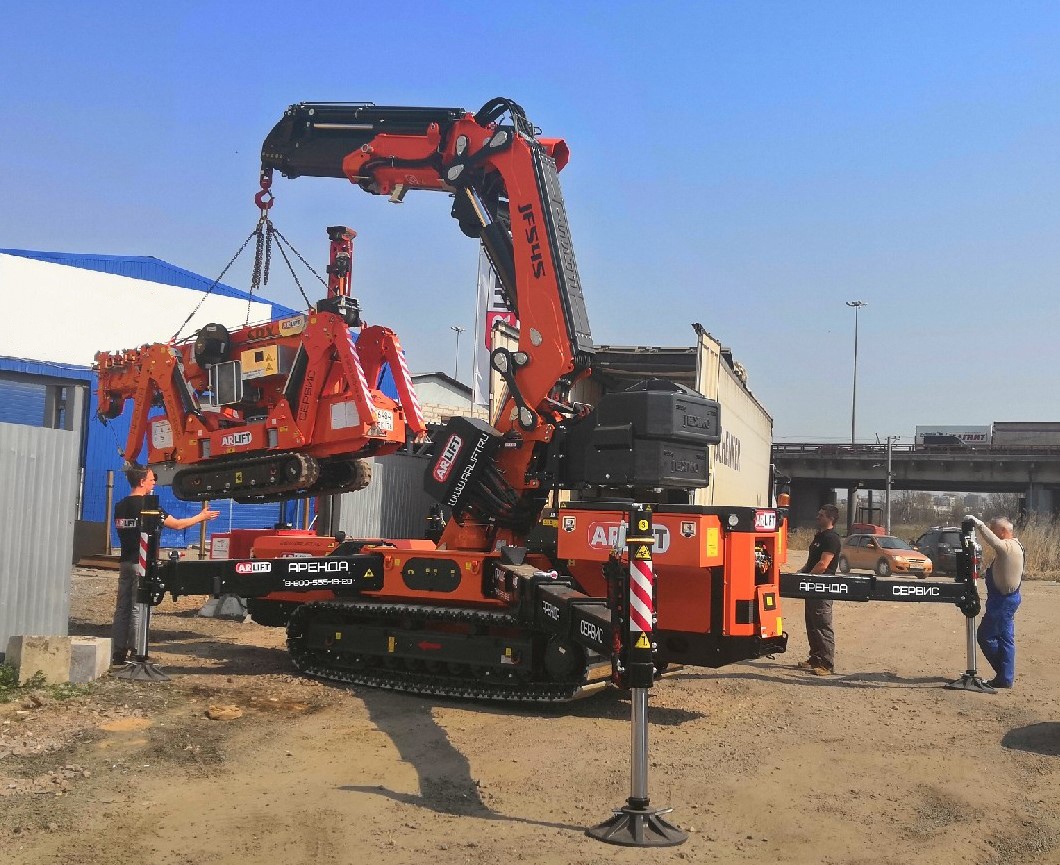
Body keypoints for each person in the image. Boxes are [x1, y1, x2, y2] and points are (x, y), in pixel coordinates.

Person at [112, 464, 219, 666]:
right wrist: (202, 517)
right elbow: (177, 525)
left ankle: (118, 652)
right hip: (141, 564)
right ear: (142, 481)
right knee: (138, 607)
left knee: (122, 608)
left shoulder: (120, 506)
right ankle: (136, 651)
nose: (154, 482)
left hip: (125, 561)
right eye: (151, 479)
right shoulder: (148, 507)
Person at [967, 515, 1024, 689]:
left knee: (985, 636)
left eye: (994, 529)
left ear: (1003, 531)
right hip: (1007, 599)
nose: (992, 532)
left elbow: (994, 542)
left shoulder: (1007, 547)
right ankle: (1005, 676)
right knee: (1006, 638)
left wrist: (979, 525)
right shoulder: (1016, 546)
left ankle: (1004, 675)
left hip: (1002, 602)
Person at [796, 503, 842, 676]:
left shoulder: (831, 538)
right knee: (812, 624)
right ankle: (815, 658)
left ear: (831, 518)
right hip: (811, 586)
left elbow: (823, 564)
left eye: (821, 515)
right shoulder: (819, 536)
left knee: (822, 625)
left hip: (822, 586)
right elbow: (811, 562)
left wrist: (808, 578)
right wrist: (800, 574)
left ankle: (827, 664)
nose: (817, 517)